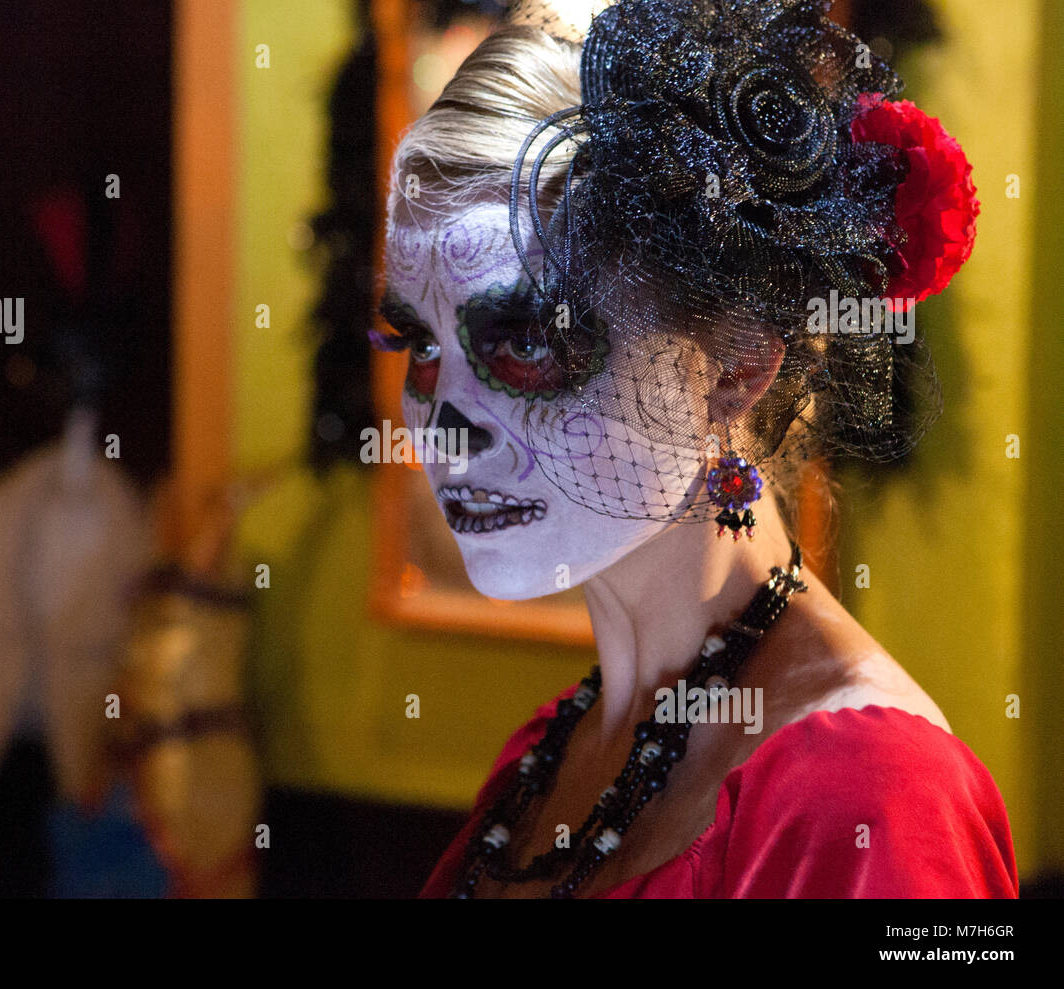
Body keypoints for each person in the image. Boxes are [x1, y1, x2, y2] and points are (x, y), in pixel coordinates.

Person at [372, 0, 1015, 898]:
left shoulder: (875, 797)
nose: (443, 424)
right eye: (419, 345)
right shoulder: (548, 757)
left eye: (523, 339)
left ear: (735, 370)